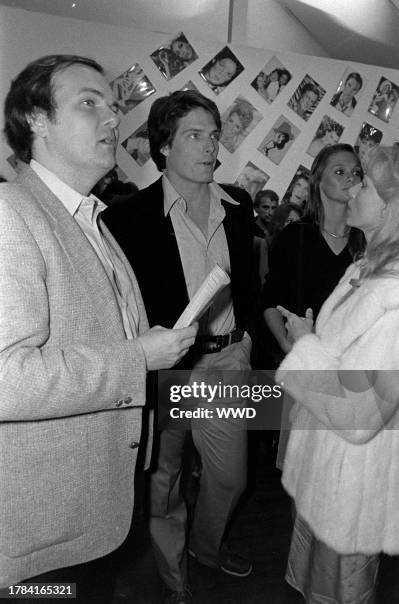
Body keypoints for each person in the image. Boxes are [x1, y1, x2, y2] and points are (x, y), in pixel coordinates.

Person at [0, 54, 197, 599]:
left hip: (94, 510)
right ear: (35, 119)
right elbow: (6, 380)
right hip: (40, 534)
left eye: (113, 107)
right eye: (89, 103)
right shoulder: (10, 214)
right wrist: (139, 357)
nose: (112, 119)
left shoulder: (88, 218)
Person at [103, 90, 256, 604]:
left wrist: (249, 338)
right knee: (163, 482)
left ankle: (207, 549)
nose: (210, 145)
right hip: (168, 368)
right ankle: (175, 579)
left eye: (214, 135)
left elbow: (251, 285)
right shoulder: (129, 216)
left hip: (226, 362)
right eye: (195, 134)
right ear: (163, 146)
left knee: (232, 476)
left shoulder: (239, 207)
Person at [275, 143, 399, 603]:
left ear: (395, 206)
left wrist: (306, 345)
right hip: (325, 469)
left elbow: (365, 411)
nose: (352, 188)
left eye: (364, 182)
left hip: (354, 485)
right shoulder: (366, 269)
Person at [262, 143, 364, 370]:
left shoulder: (368, 239)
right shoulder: (295, 235)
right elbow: (270, 299)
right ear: (318, 180)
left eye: (357, 172)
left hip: (351, 364)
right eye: (340, 172)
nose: (351, 178)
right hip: (298, 361)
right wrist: (287, 345)